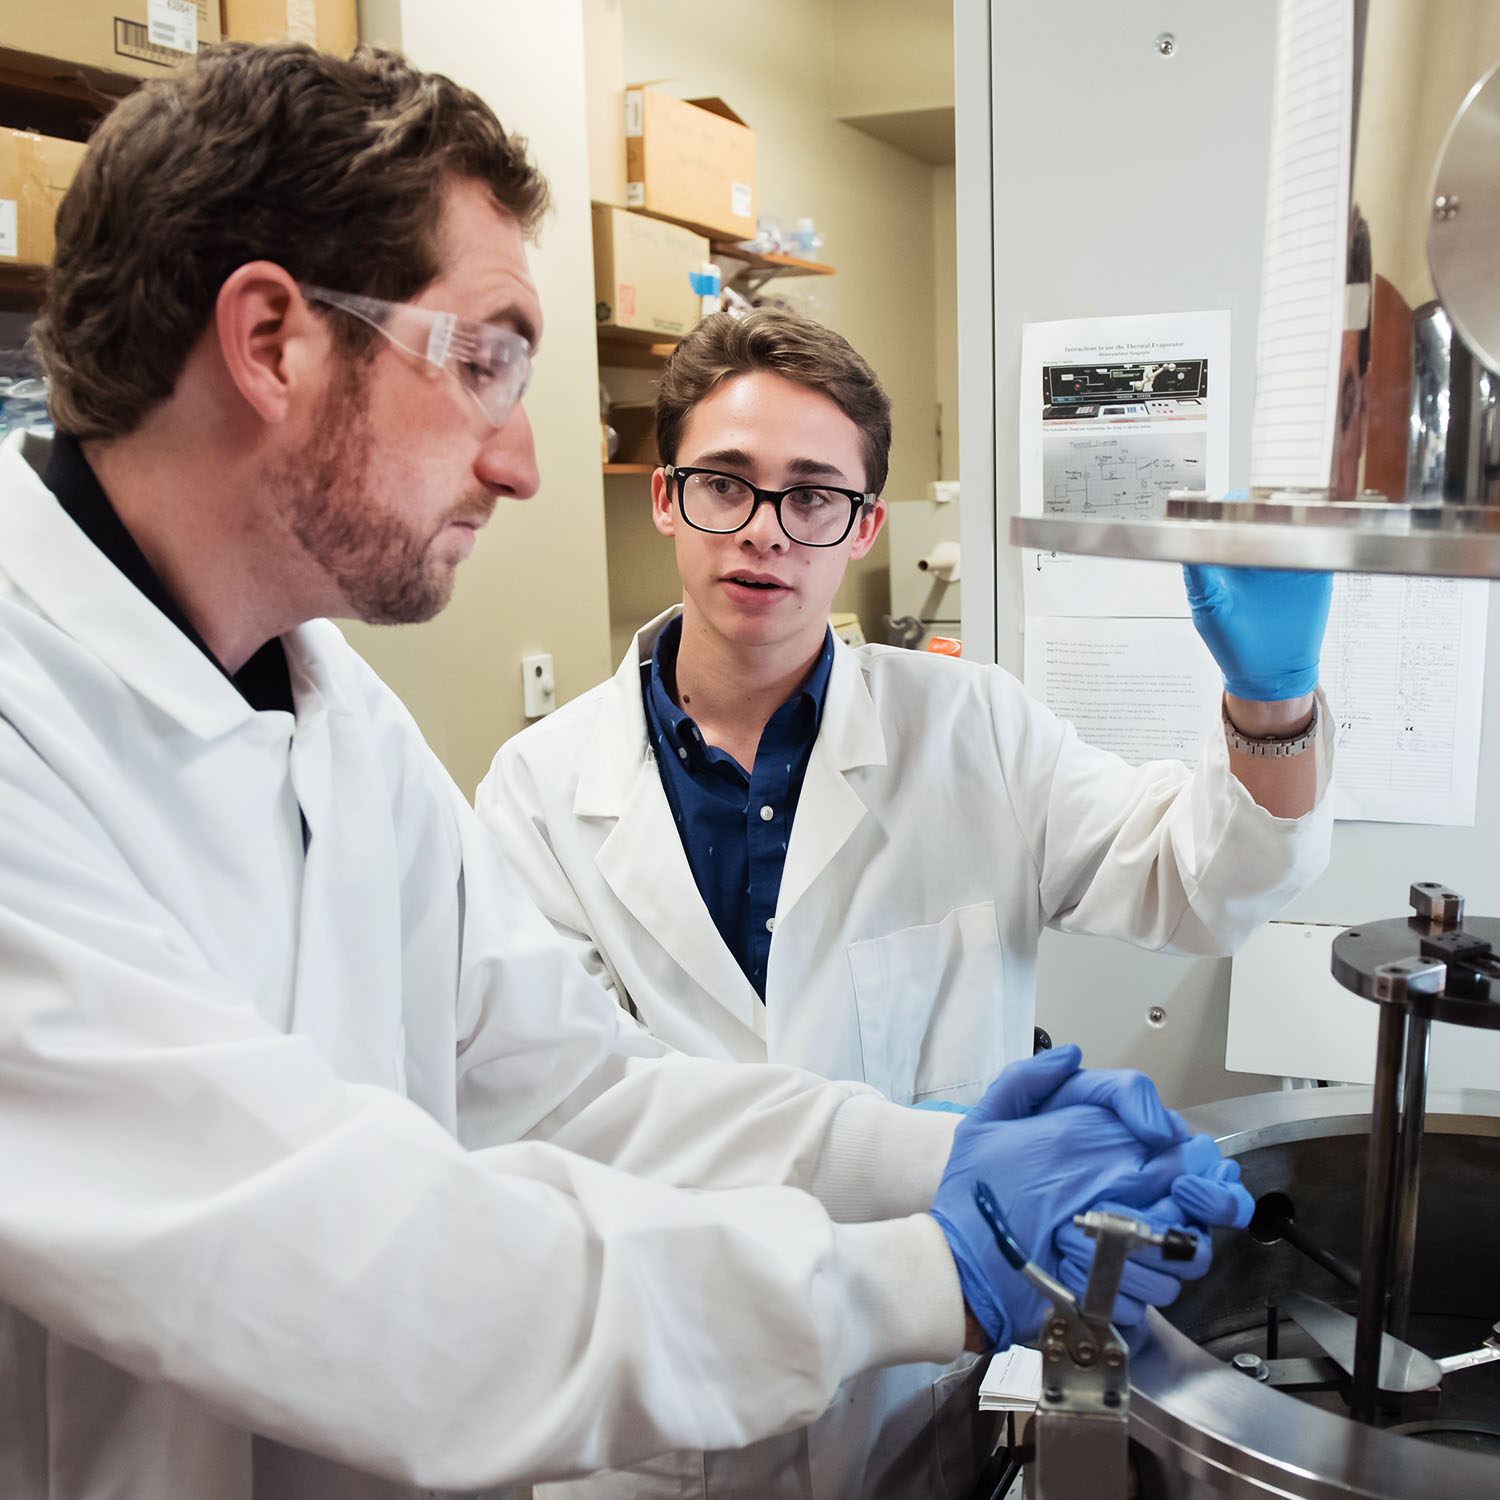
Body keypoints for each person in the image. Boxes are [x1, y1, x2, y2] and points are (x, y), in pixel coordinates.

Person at [0, 41, 1250, 1500]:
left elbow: (578, 1093)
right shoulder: (33, 737)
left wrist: (933, 1155)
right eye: (483, 360)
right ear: (272, 339)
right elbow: (371, 1277)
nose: (522, 462)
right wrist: (934, 1268)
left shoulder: (337, 722)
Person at [475, 307, 1335, 1498]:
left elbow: (1202, 883)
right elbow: (560, 1120)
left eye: (813, 495)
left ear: (864, 524)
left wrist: (1272, 705)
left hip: (909, 1408)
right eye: (725, 484)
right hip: (653, 1416)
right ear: (666, 497)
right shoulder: (537, 793)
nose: (765, 534)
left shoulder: (973, 730)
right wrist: (935, 1152)